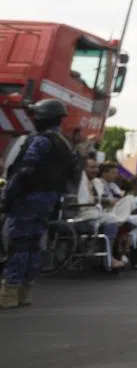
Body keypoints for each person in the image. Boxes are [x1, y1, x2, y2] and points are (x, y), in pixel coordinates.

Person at [0, 100, 76, 309]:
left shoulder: (40, 141)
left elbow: (25, 172)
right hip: (48, 200)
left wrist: (7, 198)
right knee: (34, 245)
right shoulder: (65, 144)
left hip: (27, 198)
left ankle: (9, 292)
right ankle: (25, 291)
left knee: (20, 244)